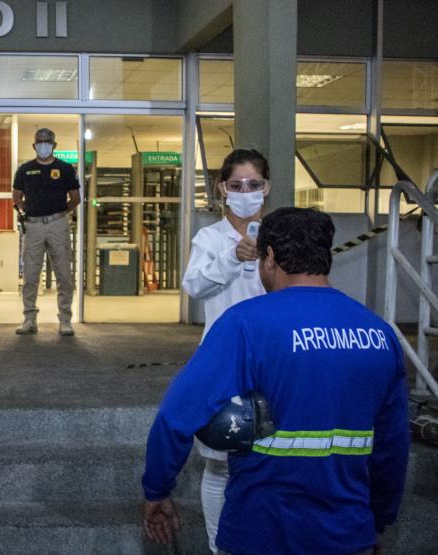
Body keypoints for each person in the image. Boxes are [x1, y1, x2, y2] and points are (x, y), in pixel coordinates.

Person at [141, 207, 409, 555]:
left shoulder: (245, 324)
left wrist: (157, 489)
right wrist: (378, 520)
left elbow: (176, 415)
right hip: (348, 533)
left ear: (269, 257)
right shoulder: (378, 333)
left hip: (260, 530)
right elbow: (392, 445)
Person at [180, 148, 270, 553]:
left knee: (268, 460)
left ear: (267, 187)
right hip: (223, 363)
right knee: (218, 463)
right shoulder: (210, 239)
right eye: (237, 185)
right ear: (222, 188)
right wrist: (232, 258)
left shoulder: (277, 236)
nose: (245, 193)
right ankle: (219, 548)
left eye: (254, 185)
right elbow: (195, 286)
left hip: (272, 362)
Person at [12, 128, 81, 336]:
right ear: (34, 146)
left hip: (58, 224)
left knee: (64, 274)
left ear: (54, 145)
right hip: (33, 226)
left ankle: (65, 320)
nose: (43, 145)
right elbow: (16, 197)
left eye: (47, 142)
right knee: (30, 275)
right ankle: (29, 319)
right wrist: (29, 211)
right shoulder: (25, 169)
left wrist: (61, 213)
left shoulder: (65, 169)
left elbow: (76, 198)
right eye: (39, 142)